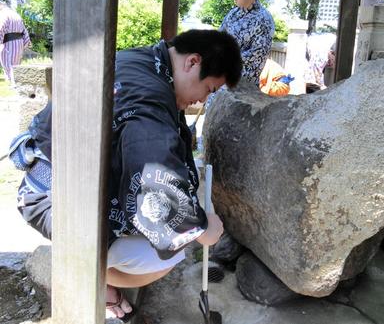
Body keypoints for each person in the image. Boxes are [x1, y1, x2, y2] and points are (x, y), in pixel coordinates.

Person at [8, 29, 242, 320]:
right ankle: (94, 278)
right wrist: (202, 229)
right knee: (169, 253)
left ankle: (97, 269)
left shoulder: (141, 60)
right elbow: (154, 177)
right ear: (192, 62)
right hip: (55, 202)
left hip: (46, 182)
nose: (199, 102)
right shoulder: (149, 99)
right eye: (208, 89)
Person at [220, 0, 275, 86]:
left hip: (241, 90)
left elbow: (256, 56)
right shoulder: (232, 14)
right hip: (217, 83)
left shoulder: (264, 19)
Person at [0, 2, 31, 86]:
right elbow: (24, 30)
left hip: (8, 43)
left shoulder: (3, 14)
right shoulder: (16, 15)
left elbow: (1, 28)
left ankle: (14, 85)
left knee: (9, 65)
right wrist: (26, 42)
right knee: (16, 65)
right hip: (19, 43)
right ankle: (17, 84)